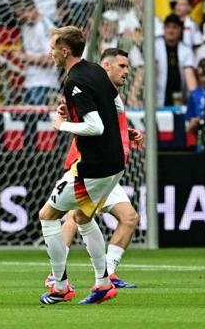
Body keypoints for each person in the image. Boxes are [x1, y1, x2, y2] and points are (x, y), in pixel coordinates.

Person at [38, 26, 126, 306]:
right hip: (115, 162)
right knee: (83, 218)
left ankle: (60, 286)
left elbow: (95, 126)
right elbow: (117, 107)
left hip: (94, 166)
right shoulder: (96, 70)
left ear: (65, 50)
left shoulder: (74, 80)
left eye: (53, 47)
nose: (50, 52)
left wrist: (63, 124)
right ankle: (102, 284)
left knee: (48, 215)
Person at [56, 48, 144, 289]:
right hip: (89, 165)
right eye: (122, 66)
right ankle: (57, 275)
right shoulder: (93, 88)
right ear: (107, 66)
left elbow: (107, 126)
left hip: (109, 170)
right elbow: (90, 124)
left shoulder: (111, 95)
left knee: (128, 217)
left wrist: (128, 133)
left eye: (128, 67)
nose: (127, 71)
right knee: (75, 216)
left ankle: (109, 273)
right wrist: (65, 120)